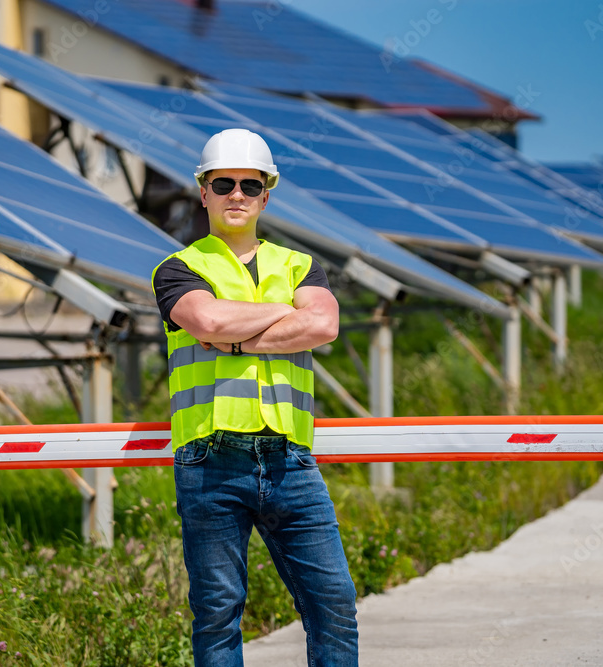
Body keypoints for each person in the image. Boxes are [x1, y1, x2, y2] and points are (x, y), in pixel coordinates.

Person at [152, 128, 359, 666]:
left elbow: (326, 323)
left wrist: (234, 337)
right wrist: (287, 313)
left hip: (291, 458)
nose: (236, 194)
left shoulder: (300, 265)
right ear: (204, 191)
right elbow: (208, 317)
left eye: (250, 184)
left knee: (334, 601)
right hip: (208, 460)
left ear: (267, 193)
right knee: (219, 611)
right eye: (224, 183)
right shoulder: (178, 269)